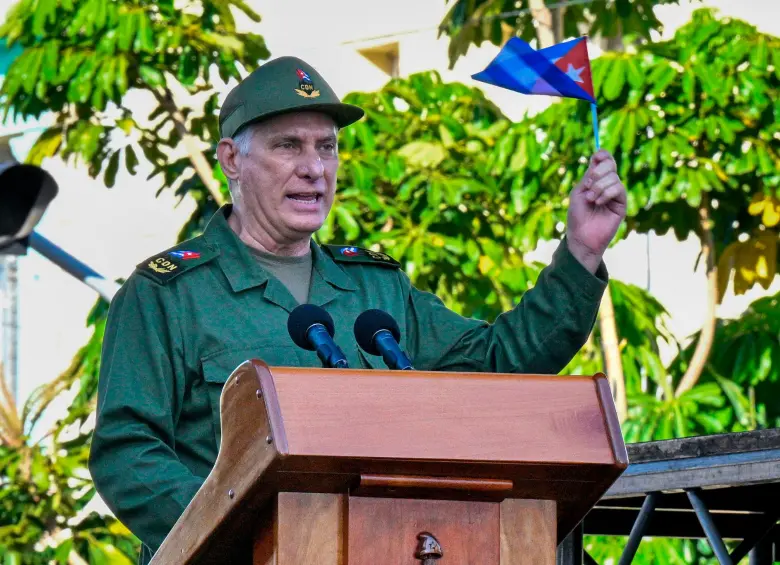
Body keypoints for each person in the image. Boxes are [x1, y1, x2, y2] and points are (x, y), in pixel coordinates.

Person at [89, 56, 626, 564]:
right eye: (288, 146)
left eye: (327, 147)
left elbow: (498, 364)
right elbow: (127, 453)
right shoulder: (168, 293)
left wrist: (581, 252)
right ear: (232, 158)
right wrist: (242, 534)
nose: (313, 169)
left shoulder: (377, 290)